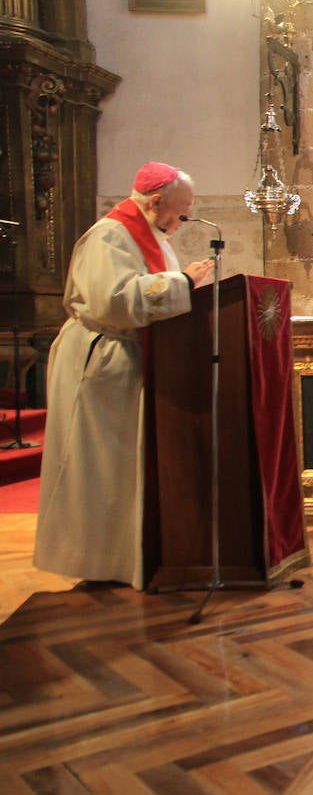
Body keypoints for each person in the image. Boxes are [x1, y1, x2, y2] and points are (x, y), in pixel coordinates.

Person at [34, 162, 215, 589]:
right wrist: (183, 283)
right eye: (181, 211)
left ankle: (128, 556)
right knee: (99, 467)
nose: (183, 220)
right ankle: (97, 560)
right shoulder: (109, 236)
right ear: (156, 202)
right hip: (101, 364)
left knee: (122, 468)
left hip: (129, 360)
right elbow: (113, 301)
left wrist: (185, 286)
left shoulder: (152, 236)